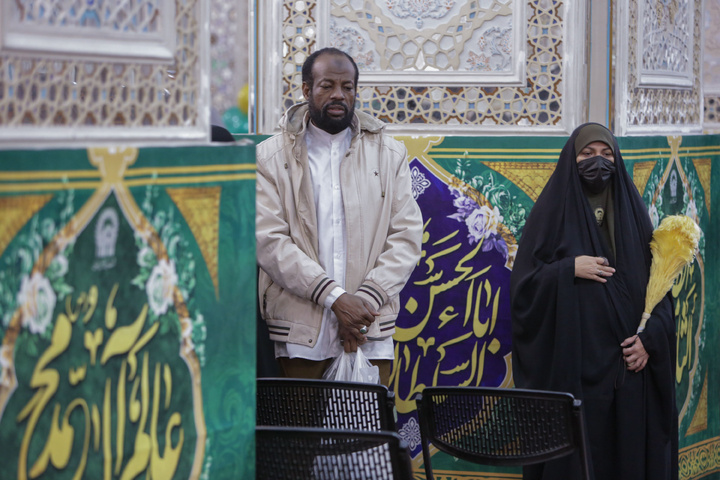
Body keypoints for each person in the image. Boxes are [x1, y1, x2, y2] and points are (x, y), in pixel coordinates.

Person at [510, 123, 678, 480]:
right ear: (572, 160)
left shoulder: (634, 217)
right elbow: (524, 290)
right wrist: (567, 268)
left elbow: (662, 295)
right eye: (586, 154)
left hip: (631, 373)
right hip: (574, 374)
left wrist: (649, 343)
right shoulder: (551, 215)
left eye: (606, 154)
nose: (597, 162)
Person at [255, 47, 423, 387]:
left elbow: (406, 237)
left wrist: (363, 306)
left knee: (366, 436)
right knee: (302, 436)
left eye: (348, 87)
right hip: (301, 329)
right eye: (327, 85)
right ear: (306, 90)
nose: (338, 95)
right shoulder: (271, 156)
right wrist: (335, 298)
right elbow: (269, 241)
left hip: (368, 327)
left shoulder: (389, 154)